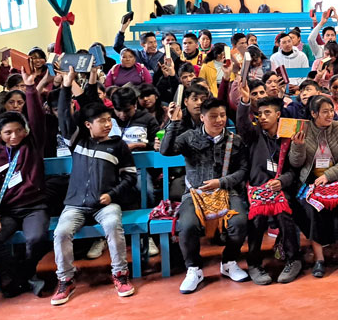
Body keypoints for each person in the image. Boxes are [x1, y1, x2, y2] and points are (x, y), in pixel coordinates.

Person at [50, 99, 138, 305]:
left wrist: (112, 195)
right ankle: (65, 279)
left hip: (105, 204)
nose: (107, 124)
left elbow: (130, 176)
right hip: (75, 204)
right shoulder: (78, 142)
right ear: (88, 124)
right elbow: (64, 116)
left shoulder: (118, 145)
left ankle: (120, 274)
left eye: (109, 120)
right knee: (61, 232)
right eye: (102, 121)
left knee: (112, 224)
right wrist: (66, 87)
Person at [161, 98, 249, 294]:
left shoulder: (235, 140)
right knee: (187, 225)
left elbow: (243, 170)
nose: (219, 120)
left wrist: (222, 182)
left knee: (240, 221)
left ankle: (229, 262)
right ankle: (194, 269)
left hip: (226, 191)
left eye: (222, 115)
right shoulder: (189, 137)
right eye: (213, 116)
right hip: (194, 193)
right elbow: (165, 151)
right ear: (202, 118)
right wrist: (173, 123)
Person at [0, 72, 51, 298]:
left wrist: (30, 89)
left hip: (34, 207)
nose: (14, 136)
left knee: (36, 239)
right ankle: (25, 277)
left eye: (19, 130)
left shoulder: (33, 144)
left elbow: (37, 118)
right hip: (7, 211)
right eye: (8, 132)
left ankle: (21, 277)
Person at [235, 91, 301, 285]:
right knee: (257, 217)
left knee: (285, 211)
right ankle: (254, 263)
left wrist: (282, 181)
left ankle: (293, 259)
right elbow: (242, 123)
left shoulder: (288, 136)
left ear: (278, 114)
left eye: (267, 113)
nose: (262, 117)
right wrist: (245, 102)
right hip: (256, 190)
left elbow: (294, 170)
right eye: (260, 114)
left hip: (281, 189)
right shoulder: (254, 134)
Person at [289, 96, 338, 277]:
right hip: (311, 181)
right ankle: (319, 259)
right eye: (325, 112)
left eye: (331, 110)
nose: (330, 115)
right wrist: (298, 146)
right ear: (313, 113)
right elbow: (295, 163)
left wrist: (329, 175)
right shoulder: (303, 130)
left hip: (337, 178)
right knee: (311, 208)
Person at [109, 86, 159, 152]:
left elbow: (156, 143)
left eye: (127, 110)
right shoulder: (108, 119)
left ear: (135, 104)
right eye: (118, 110)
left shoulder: (147, 119)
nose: (123, 115)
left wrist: (143, 145)